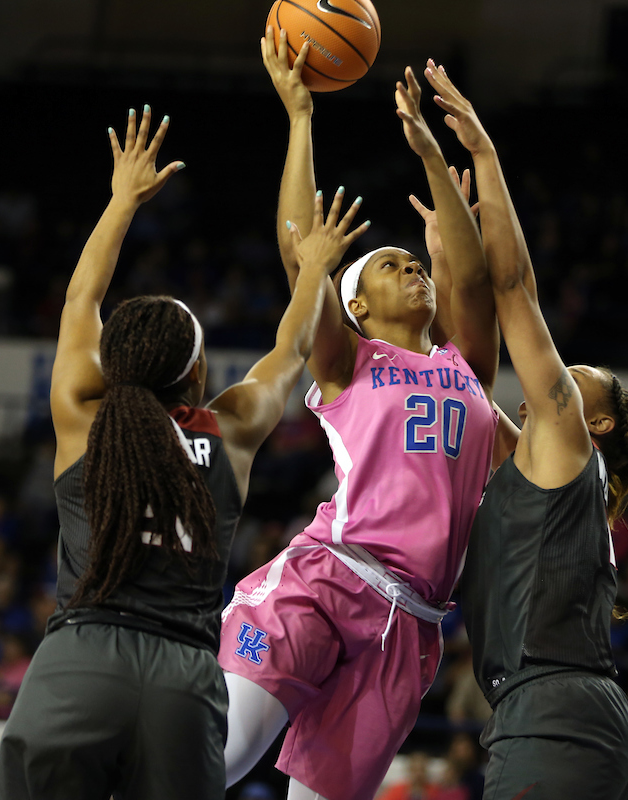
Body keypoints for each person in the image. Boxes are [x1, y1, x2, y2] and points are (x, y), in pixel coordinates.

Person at [0, 106, 368, 800]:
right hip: (184, 679)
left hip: (82, 659)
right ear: (198, 374)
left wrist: (122, 201)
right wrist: (315, 268)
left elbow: (81, 299)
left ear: (112, 365)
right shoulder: (232, 430)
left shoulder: (83, 416)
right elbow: (290, 349)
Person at [220, 36, 499, 800]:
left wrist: (433, 158)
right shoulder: (349, 360)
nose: (411, 266)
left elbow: (474, 279)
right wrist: (300, 117)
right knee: (221, 757)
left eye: (415, 262)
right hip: (329, 579)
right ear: (356, 307)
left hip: (412, 623)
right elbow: (299, 256)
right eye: (388, 264)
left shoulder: (467, 367)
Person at [422, 63, 628, 800]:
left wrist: (485, 154)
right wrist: (445, 260)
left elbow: (514, 286)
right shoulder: (539, 468)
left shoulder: (569, 442)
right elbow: (453, 376)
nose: (555, 374)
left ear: (597, 420)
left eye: (574, 372)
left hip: (557, 714)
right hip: (547, 712)